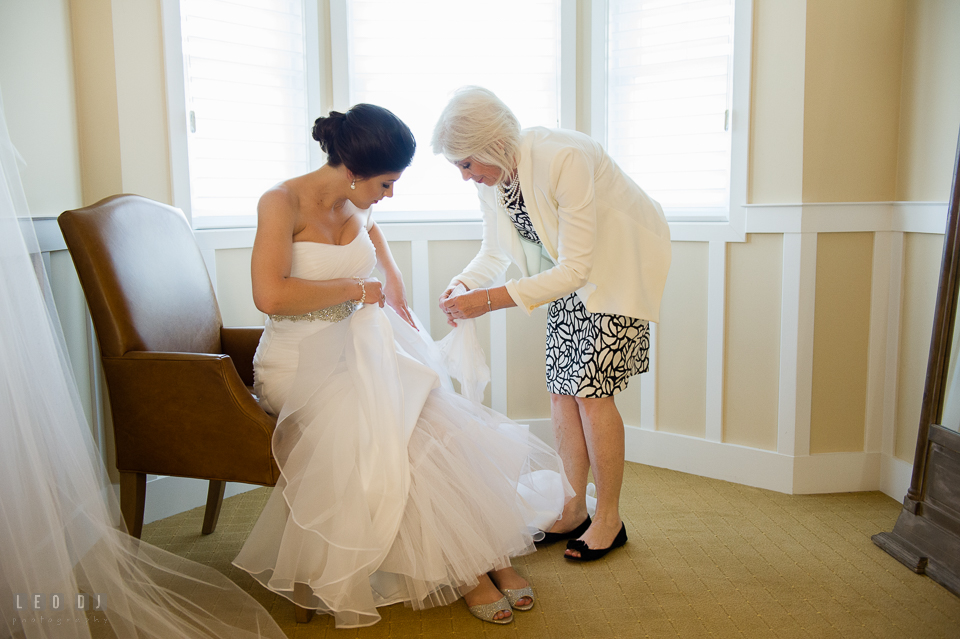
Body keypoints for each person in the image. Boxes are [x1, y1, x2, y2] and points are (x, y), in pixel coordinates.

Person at [232, 103, 571, 628]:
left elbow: (391, 291)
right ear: (352, 170)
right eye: (386, 184)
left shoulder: (362, 208)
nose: (390, 195)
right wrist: (357, 291)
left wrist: (423, 328)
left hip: (362, 351)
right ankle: (470, 572)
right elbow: (269, 295)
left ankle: (488, 554)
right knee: (399, 428)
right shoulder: (280, 202)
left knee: (433, 412)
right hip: (297, 367)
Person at [432, 87, 672, 562]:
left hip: (615, 272)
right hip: (562, 278)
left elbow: (579, 266)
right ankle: (572, 507)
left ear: (490, 145)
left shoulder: (564, 158)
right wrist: (464, 284)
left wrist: (491, 300)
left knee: (592, 393)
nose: (466, 177)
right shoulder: (493, 180)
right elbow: (497, 251)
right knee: (562, 390)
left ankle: (609, 517)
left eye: (465, 164)